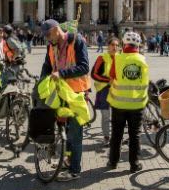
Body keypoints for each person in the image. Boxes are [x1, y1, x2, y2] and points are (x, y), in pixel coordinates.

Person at [40, 18, 92, 177]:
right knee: (66, 132)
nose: (48, 39)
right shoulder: (51, 46)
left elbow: (84, 67)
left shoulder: (77, 41)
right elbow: (47, 67)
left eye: (49, 35)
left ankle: (75, 170)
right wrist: (40, 85)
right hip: (61, 95)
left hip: (76, 95)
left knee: (75, 134)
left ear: (56, 30)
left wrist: (62, 73)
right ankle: (68, 161)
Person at [107, 31, 149, 173]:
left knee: (116, 134)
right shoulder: (142, 60)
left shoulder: (117, 58)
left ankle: (113, 162)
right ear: (138, 44)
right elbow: (145, 81)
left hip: (118, 104)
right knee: (135, 135)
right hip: (137, 105)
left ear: (124, 44)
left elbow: (111, 78)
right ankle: (134, 165)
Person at [91, 35, 120, 143]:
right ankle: (106, 137)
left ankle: (117, 137)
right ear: (108, 46)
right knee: (106, 115)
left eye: (117, 45)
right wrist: (107, 80)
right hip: (104, 90)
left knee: (118, 115)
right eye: (112, 45)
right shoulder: (102, 58)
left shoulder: (121, 58)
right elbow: (94, 74)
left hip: (118, 90)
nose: (115, 47)